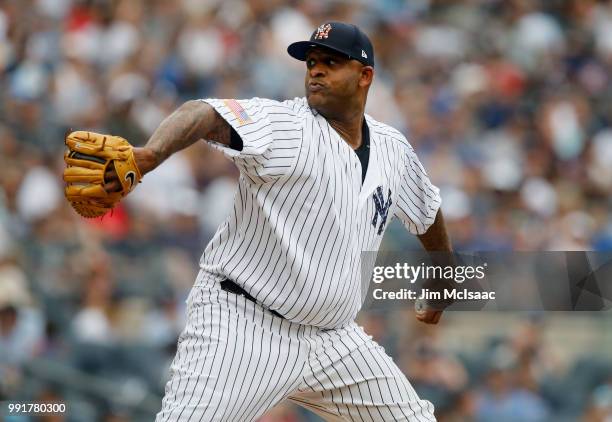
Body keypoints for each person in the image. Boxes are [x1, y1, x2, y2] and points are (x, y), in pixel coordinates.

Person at [105, 21, 452, 421]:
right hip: (245, 325)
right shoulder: (286, 125)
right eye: (312, 62)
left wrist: (443, 272)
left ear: (365, 76)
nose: (316, 70)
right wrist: (152, 153)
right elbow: (202, 112)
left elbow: (426, 209)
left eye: (331, 62)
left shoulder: (393, 148)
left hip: (334, 340)